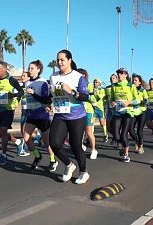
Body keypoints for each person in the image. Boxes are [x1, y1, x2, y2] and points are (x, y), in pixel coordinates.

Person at [48, 49, 90, 184]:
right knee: (54, 143)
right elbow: (52, 94)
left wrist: (71, 91)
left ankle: (83, 172)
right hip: (60, 114)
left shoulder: (78, 77)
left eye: (62, 60)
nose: (59, 62)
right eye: (58, 60)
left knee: (75, 145)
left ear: (69, 60)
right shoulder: (53, 76)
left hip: (76, 116)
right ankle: (68, 164)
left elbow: (85, 96)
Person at [24, 60, 58, 171]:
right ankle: (38, 156)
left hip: (41, 115)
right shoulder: (27, 83)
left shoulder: (42, 82)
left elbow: (46, 99)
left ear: (38, 70)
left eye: (32, 68)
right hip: (31, 115)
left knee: (46, 142)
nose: (30, 70)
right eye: (29, 68)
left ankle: (53, 160)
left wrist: (34, 94)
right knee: (26, 138)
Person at [0, 61, 24, 165]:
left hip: (9, 109)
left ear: (5, 69)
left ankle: (4, 155)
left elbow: (21, 92)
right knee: (1, 134)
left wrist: (13, 96)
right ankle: (18, 142)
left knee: (4, 130)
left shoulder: (11, 80)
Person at [110, 68, 138, 163]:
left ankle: (126, 154)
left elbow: (137, 100)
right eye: (118, 73)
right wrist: (113, 103)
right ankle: (123, 147)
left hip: (128, 112)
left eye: (121, 73)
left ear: (126, 75)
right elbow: (112, 99)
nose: (119, 75)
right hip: (117, 112)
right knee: (117, 136)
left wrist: (129, 102)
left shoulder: (131, 86)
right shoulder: (114, 86)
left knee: (123, 134)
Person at [79, 69, 98, 160]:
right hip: (78, 111)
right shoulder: (74, 84)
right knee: (78, 131)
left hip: (88, 111)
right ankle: (81, 146)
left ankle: (93, 150)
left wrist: (85, 96)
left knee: (88, 131)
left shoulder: (89, 85)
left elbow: (94, 99)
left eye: (81, 75)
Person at [129, 74, 148, 154]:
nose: (134, 81)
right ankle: (137, 141)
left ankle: (140, 146)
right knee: (130, 129)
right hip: (133, 111)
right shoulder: (130, 90)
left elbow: (147, 101)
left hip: (142, 111)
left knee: (139, 130)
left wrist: (141, 102)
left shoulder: (143, 90)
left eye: (135, 80)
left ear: (140, 83)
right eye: (133, 80)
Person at [18, 71, 30, 157]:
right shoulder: (21, 88)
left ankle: (24, 148)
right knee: (22, 130)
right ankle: (37, 137)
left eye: (24, 76)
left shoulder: (30, 86)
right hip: (23, 110)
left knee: (25, 130)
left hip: (30, 111)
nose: (22, 77)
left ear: (28, 78)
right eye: (22, 76)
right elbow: (18, 98)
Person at [92, 78, 108, 143]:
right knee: (91, 123)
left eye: (97, 82)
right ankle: (91, 136)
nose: (95, 83)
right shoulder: (91, 89)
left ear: (99, 83)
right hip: (93, 108)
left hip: (100, 108)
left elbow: (99, 97)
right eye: (94, 82)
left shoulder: (101, 90)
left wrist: (96, 91)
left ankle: (105, 134)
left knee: (102, 123)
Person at [105, 74, 118, 145]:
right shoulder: (107, 88)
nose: (112, 79)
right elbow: (106, 97)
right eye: (111, 78)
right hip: (110, 109)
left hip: (117, 109)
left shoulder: (118, 87)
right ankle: (115, 136)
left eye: (113, 78)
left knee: (116, 125)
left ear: (116, 79)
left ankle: (117, 140)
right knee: (108, 127)